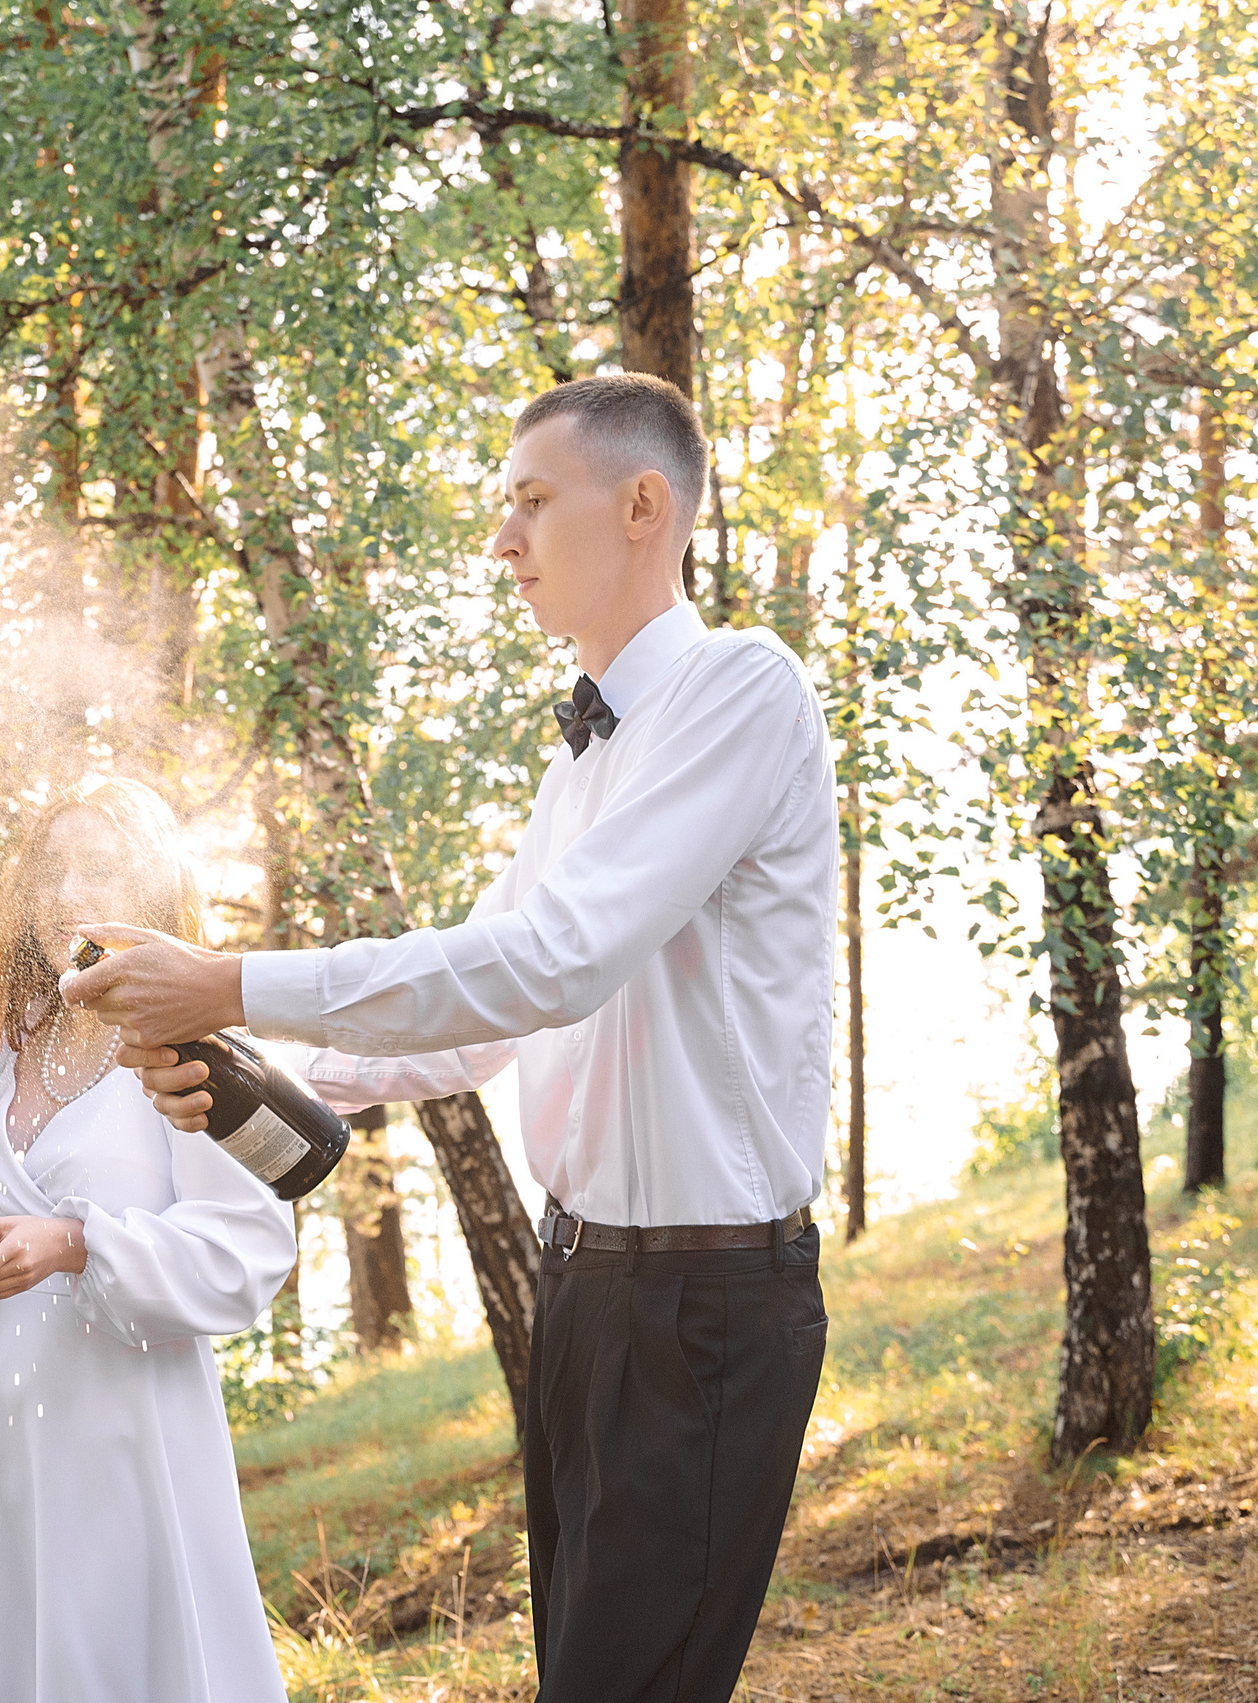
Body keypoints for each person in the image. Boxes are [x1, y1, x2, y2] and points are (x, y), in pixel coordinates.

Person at [67, 374, 838, 1703]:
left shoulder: (741, 689)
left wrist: (230, 979)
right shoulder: (585, 757)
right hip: (587, 1292)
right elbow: (477, 1023)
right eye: (503, 509)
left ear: (643, 504)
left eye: (532, 502)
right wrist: (256, 1076)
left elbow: (550, 960)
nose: (503, 541)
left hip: (707, 1302)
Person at [0, 778, 294, 1703]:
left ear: (150, 887)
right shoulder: (0, 1036)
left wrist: (74, 1244)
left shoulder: (192, 1042)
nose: (65, 893)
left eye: (96, 869)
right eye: (48, 870)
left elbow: (249, 1250)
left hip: (128, 1442)